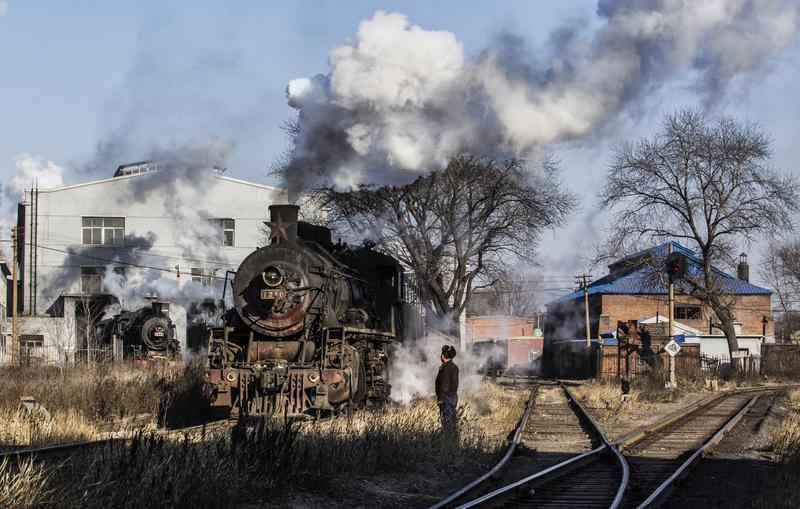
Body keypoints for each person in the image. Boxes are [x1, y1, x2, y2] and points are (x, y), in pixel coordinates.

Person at [435, 344, 459, 432]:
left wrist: (440, 398)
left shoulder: (445, 367)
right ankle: (453, 439)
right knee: (452, 421)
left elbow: (444, 384)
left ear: (443, 356)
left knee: (446, 423)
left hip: (446, 397)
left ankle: (448, 441)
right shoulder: (455, 367)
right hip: (454, 396)